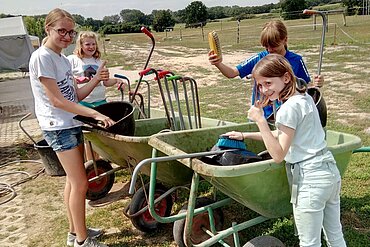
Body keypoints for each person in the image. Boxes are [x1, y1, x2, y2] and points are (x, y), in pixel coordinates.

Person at [224, 54, 346, 247]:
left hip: (310, 180)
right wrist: (245, 135)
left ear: (286, 78)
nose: (264, 89)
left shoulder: (287, 109)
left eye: (268, 82)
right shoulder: (304, 98)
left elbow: (278, 154)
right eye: (260, 85)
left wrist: (260, 121)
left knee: (310, 243)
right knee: (335, 236)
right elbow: (283, 134)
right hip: (328, 173)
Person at [28, 8, 113, 247]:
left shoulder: (62, 59)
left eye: (70, 32)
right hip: (58, 126)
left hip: (70, 122)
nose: (66, 37)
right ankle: (83, 242)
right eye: (61, 31)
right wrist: (94, 112)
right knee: (81, 183)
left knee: (72, 181)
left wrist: (96, 79)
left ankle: (75, 232)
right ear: (48, 29)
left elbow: (74, 95)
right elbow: (57, 100)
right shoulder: (42, 57)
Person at [208, 19, 324, 119]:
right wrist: (218, 63)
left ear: (285, 40)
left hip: (287, 116)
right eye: (266, 46)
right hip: (262, 115)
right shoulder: (259, 58)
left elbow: (305, 86)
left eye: (273, 45)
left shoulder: (296, 60)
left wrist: (316, 84)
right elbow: (232, 73)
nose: (269, 50)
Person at [68, 31, 126, 161]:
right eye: (87, 44)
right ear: (80, 45)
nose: (91, 47)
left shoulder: (98, 61)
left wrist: (117, 81)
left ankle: (100, 161)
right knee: (89, 136)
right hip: (84, 103)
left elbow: (105, 82)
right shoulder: (73, 60)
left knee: (101, 135)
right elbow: (68, 78)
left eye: (93, 44)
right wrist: (78, 80)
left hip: (101, 103)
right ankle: (91, 163)